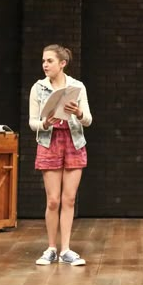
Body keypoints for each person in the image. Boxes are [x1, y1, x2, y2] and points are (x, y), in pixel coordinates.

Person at [28, 44, 92, 266]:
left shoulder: (77, 86)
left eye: (50, 61)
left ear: (62, 63)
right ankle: (51, 248)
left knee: (69, 198)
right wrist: (45, 123)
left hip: (73, 141)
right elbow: (32, 122)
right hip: (50, 141)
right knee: (53, 200)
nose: (45, 65)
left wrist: (78, 113)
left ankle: (66, 249)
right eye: (44, 61)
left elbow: (88, 120)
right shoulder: (38, 88)